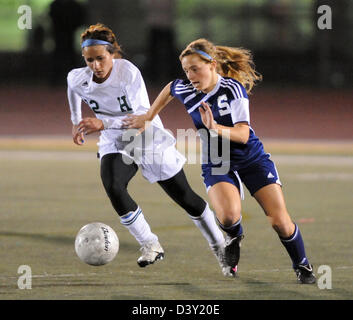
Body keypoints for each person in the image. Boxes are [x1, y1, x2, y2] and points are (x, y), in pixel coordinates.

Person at [123, 38, 316, 284]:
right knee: (227, 217)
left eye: (195, 69)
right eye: (186, 70)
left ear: (212, 65)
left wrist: (215, 127)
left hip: (251, 159)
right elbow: (170, 89)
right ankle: (234, 238)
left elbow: (243, 134)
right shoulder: (186, 89)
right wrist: (148, 116)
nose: (190, 75)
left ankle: (302, 264)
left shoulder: (232, 89)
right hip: (218, 160)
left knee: (280, 222)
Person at [67, 24, 236, 276]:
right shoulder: (76, 77)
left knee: (184, 197)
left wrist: (102, 122)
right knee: (113, 184)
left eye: (100, 59)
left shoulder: (128, 74)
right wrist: (75, 121)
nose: (96, 66)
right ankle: (150, 244)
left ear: (112, 54)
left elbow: (140, 117)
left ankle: (220, 246)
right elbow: (73, 91)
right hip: (115, 137)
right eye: (89, 60)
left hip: (145, 134)